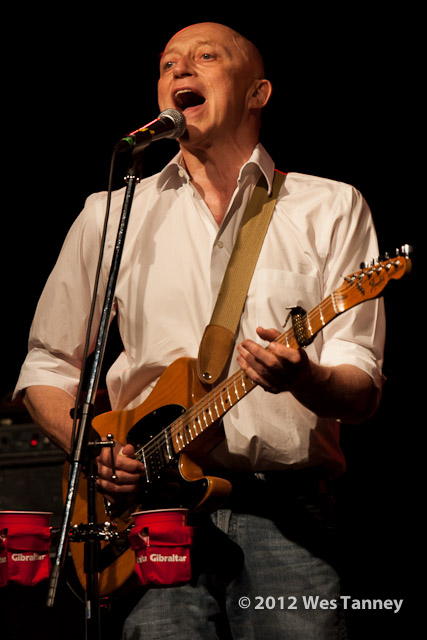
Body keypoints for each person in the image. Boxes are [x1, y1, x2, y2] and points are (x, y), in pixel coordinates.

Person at [14, 22, 385, 640]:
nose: (180, 70)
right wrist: (96, 447)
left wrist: (305, 378)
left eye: (205, 56)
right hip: (151, 518)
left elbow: (362, 386)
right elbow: (46, 366)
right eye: (167, 64)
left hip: (286, 511)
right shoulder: (112, 213)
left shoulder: (330, 207)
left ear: (258, 93)